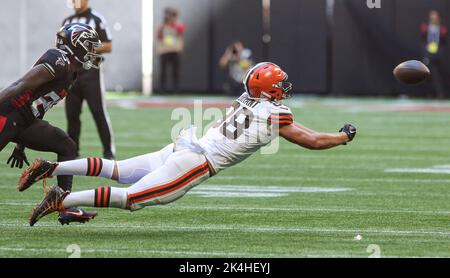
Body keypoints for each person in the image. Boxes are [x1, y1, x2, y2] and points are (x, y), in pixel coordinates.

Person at [21, 62, 357, 226]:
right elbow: (311, 141)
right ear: (269, 90)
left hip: (186, 145)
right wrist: (342, 137)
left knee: (120, 170)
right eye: (280, 84)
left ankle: (55, 167)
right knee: (133, 198)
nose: (285, 87)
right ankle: (64, 199)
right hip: (197, 161)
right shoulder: (275, 113)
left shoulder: (247, 100)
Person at [0, 23, 101, 224]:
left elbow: (39, 105)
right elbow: (20, 85)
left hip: (25, 122)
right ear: (76, 44)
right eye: (89, 46)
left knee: (67, 146)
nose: (92, 52)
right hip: (8, 115)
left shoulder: (72, 71)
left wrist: (20, 145)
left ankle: (64, 203)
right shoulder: (59, 60)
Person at [62, 0, 115, 159]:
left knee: (98, 112)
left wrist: (85, 45)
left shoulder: (97, 19)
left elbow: (109, 46)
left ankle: (108, 152)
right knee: (71, 114)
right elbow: (61, 45)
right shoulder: (67, 22)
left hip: (91, 72)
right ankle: (73, 151)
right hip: (72, 74)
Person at [156, 7, 186, 92]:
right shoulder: (162, 25)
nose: (171, 17)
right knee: (163, 71)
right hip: (164, 50)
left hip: (175, 50)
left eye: (173, 15)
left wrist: (172, 24)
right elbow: (159, 36)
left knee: (175, 71)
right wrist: (164, 25)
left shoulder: (178, 24)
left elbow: (180, 31)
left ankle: (176, 89)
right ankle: (162, 89)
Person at [420, 10, 448, 98]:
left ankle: (440, 94)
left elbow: (444, 43)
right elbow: (423, 42)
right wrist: (426, 54)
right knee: (426, 75)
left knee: (437, 75)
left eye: (435, 17)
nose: (433, 19)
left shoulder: (442, 29)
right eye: (432, 17)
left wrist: (440, 53)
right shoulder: (425, 28)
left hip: (437, 55)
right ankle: (428, 94)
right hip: (428, 54)